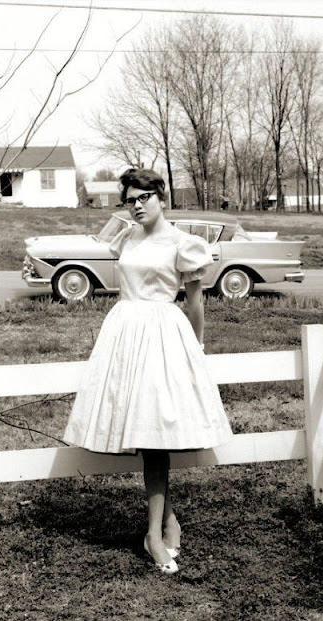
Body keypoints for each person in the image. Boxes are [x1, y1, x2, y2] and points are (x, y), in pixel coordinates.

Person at [63, 167, 233, 575]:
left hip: (163, 339)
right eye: (130, 200)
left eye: (144, 198)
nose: (137, 206)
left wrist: (195, 350)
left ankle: (154, 535)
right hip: (124, 337)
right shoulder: (127, 236)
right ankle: (165, 524)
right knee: (144, 435)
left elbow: (194, 305)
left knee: (156, 439)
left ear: (162, 198)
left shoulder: (182, 243)